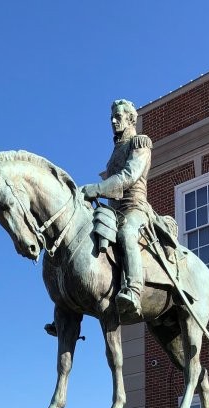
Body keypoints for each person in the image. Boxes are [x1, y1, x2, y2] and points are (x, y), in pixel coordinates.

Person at [80, 99, 152, 321]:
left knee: (126, 233)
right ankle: (71, 302)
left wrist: (97, 188)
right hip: (114, 211)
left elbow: (128, 176)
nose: (113, 121)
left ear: (131, 119)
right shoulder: (115, 150)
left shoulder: (140, 143)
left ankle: (134, 290)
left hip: (134, 208)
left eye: (118, 117)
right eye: (111, 117)